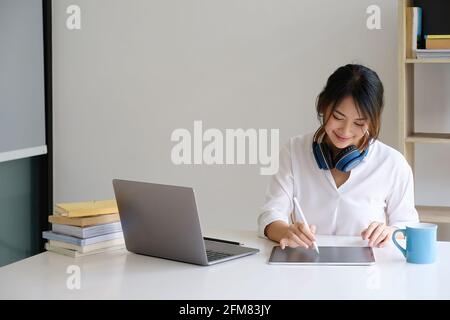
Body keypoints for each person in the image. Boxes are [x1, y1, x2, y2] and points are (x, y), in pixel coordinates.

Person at [258, 64, 419, 250]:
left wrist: (390, 232)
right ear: (323, 106)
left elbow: (409, 227)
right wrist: (286, 232)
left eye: (359, 122)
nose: (345, 130)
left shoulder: (392, 163)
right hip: (306, 268)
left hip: (366, 274)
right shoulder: (294, 151)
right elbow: (269, 215)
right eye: (337, 116)